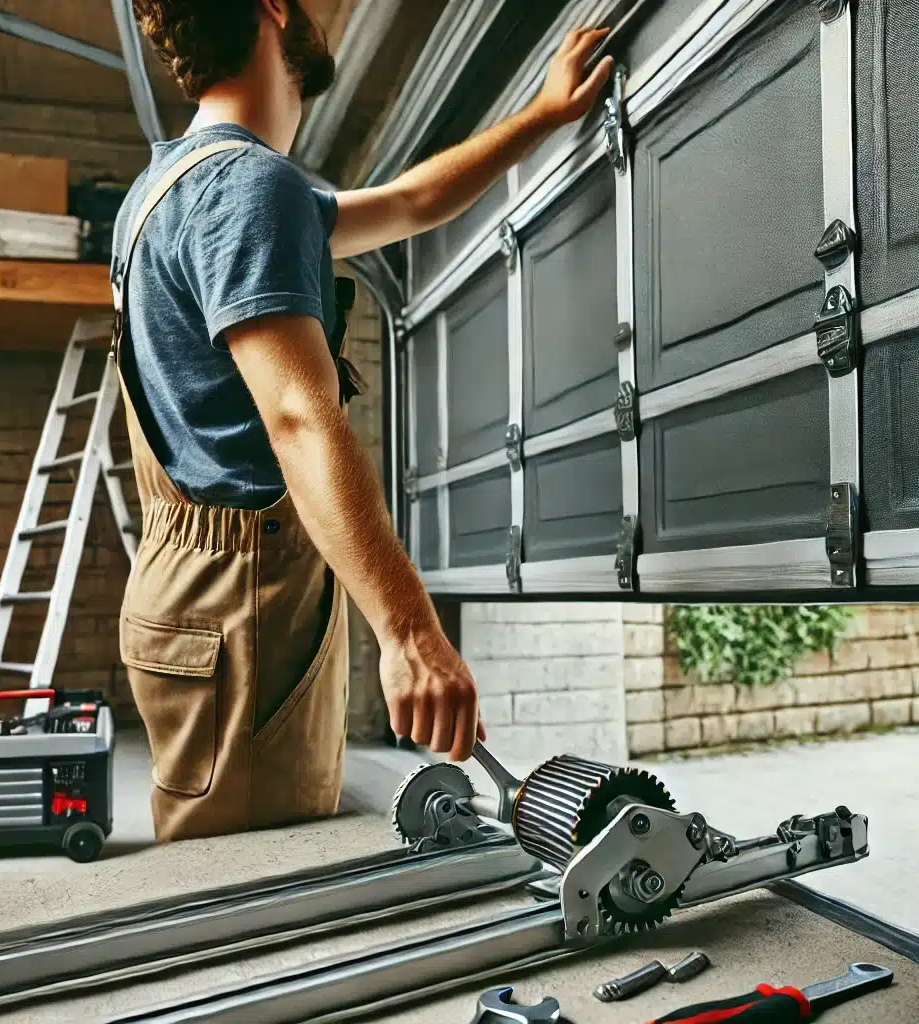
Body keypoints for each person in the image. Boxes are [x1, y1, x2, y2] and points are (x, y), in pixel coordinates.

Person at [112, 0, 615, 842]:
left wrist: (547, 113)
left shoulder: (164, 193)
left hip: (187, 586)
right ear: (272, 8)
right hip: (246, 602)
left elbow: (414, 201)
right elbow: (300, 419)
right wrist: (412, 633)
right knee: (255, 880)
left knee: (224, 855)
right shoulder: (247, 189)